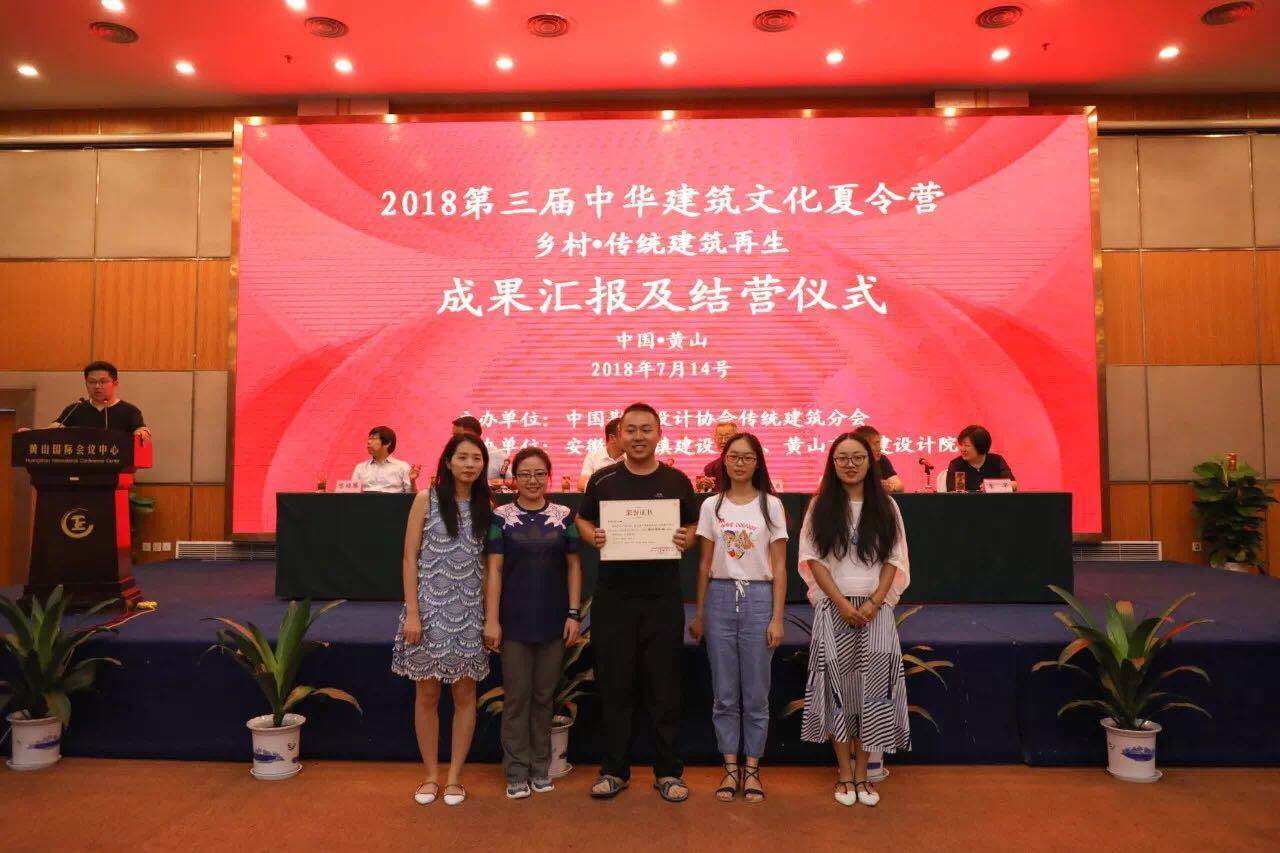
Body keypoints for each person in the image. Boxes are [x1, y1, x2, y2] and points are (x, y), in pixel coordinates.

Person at [576, 402, 698, 803]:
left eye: (647, 429)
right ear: (619, 436)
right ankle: (614, 771)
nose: (639, 437)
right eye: (631, 430)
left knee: (664, 687)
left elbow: (693, 523)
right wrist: (593, 535)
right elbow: (583, 519)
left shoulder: (677, 480)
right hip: (614, 599)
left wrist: (686, 537)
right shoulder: (603, 479)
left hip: (662, 599)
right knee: (616, 686)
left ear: (659, 434)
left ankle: (668, 773)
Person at [798, 431, 911, 808]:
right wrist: (842, 604)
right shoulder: (820, 506)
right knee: (838, 691)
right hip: (834, 608)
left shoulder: (887, 507)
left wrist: (875, 603)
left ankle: (864, 773)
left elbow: (894, 559)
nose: (850, 464)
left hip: (876, 611)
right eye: (842, 458)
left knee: (872, 693)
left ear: (870, 461)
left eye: (857, 457)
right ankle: (844, 772)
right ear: (832, 464)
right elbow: (813, 559)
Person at [391, 433, 493, 807]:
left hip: (469, 614)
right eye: (462, 457)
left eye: (477, 458)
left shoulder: (487, 506)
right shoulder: (426, 499)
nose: (470, 464)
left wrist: (490, 618)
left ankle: (454, 778)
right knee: (427, 694)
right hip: (428, 612)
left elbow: (489, 567)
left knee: (465, 695)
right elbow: (409, 557)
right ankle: (431, 776)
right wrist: (413, 612)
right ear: (448, 461)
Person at [688, 432, 787, 803]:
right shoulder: (711, 506)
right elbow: (703, 564)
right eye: (733, 456)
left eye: (747, 457)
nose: (740, 463)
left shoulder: (771, 506)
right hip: (719, 597)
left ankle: (753, 768)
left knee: (757, 693)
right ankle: (731, 768)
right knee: (725, 693)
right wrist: (700, 613)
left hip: (759, 598)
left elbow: (780, 566)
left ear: (757, 462)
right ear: (724, 461)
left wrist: (777, 618)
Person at [483, 447, 583, 800]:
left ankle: (541, 769)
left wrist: (574, 614)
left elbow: (574, 566)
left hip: (554, 621)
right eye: (525, 474)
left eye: (540, 473)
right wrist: (492, 620)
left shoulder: (564, 515)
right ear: (514, 479)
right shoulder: (500, 518)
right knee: (517, 699)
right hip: (513, 622)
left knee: (543, 697)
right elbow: (494, 569)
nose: (533, 480)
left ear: (548, 476)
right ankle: (515, 772)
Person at [38, 361, 151, 443]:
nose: (97, 386)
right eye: (92, 382)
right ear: (86, 384)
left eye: (103, 382)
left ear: (115, 383)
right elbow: (57, 427)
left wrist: (142, 432)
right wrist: (35, 433)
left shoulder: (129, 411)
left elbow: (140, 429)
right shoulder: (75, 409)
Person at [945, 424, 1016, 492]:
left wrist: (991, 487)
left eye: (966, 445)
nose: (962, 449)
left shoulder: (997, 460)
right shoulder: (957, 464)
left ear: (980, 447)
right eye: (961, 445)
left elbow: (1014, 485)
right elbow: (952, 493)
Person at [351, 426, 419, 493]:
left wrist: (412, 481)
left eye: (374, 438)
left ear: (387, 443)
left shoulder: (402, 467)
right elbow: (352, 493)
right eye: (369, 439)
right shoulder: (360, 468)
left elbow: (412, 497)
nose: (369, 442)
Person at [452, 415, 508, 483]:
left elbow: (511, 481)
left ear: (475, 435)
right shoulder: (451, 454)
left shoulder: (497, 455)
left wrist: (494, 483)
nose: (455, 439)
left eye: (459, 436)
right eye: (454, 435)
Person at [852, 424, 903, 493]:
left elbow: (899, 486)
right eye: (875, 444)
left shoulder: (882, 460)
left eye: (879, 444)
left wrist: (890, 487)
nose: (879, 448)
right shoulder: (851, 462)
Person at [578, 417, 623, 490]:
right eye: (624, 434)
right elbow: (582, 484)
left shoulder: (632, 457)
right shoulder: (593, 456)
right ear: (612, 438)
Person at [700, 420, 738, 491]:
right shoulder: (710, 468)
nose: (723, 441)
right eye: (720, 437)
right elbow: (705, 493)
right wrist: (705, 487)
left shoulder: (745, 463)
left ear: (737, 439)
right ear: (715, 439)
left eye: (727, 437)